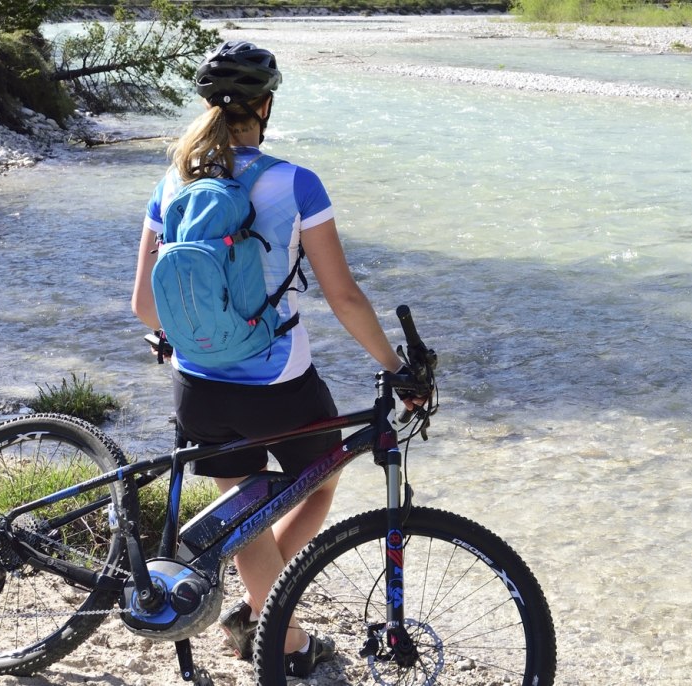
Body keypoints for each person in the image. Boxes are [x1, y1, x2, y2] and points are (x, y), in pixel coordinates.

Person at [128, 40, 406, 677]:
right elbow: (343, 295)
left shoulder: (171, 181)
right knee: (325, 476)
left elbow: (144, 305)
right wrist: (394, 367)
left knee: (244, 505)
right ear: (267, 106)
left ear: (207, 105)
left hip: (196, 384)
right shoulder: (294, 182)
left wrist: (185, 337)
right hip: (277, 381)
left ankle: (266, 620)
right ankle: (274, 628)